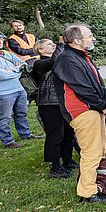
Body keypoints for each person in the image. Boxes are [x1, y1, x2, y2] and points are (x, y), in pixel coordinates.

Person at [52, 24, 106, 203]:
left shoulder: (81, 56)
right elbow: (82, 88)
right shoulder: (67, 59)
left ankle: (100, 183)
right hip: (82, 111)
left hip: (94, 108)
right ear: (77, 40)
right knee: (91, 152)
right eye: (90, 35)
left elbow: (97, 82)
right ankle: (87, 193)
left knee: (100, 148)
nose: (93, 38)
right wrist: (101, 105)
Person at [0, 28, 41, 148]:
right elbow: (2, 75)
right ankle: (8, 141)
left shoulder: (6, 53)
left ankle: (25, 134)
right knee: (4, 117)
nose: (0, 42)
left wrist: (13, 69)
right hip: (3, 92)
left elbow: (24, 65)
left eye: (1, 40)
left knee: (21, 113)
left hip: (19, 88)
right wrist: (16, 69)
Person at [32, 39, 77, 178]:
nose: (53, 45)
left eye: (53, 43)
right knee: (55, 136)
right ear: (40, 50)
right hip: (49, 104)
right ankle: (55, 167)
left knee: (69, 134)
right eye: (48, 44)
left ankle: (67, 161)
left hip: (63, 102)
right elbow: (54, 62)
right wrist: (61, 44)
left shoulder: (59, 58)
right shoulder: (39, 63)